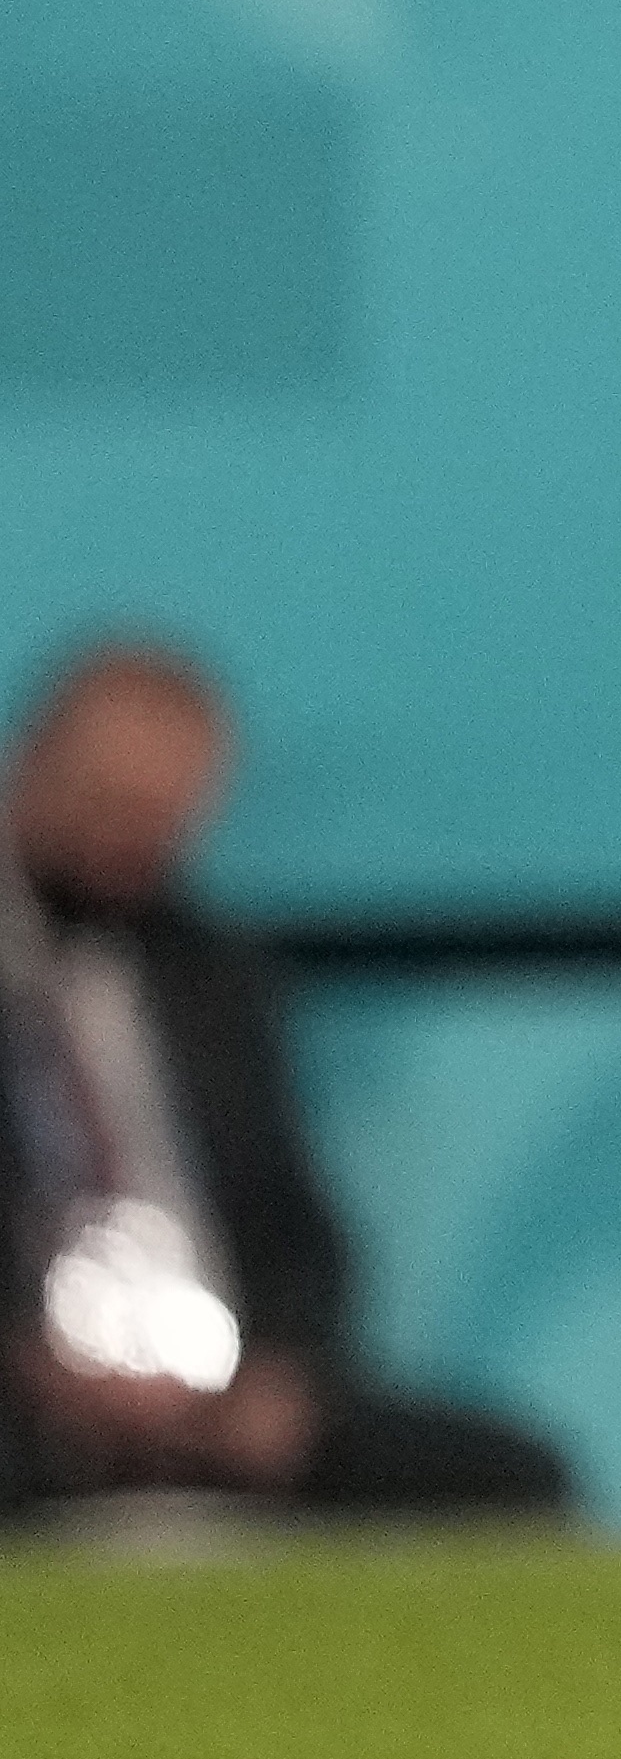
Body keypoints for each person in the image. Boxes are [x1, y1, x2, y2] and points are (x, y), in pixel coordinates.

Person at [0, 640, 570, 1518]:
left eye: (161, 819)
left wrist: (283, 1373)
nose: (130, 844)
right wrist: (37, 1364)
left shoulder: (209, 977)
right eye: (108, 807)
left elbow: (293, 1223)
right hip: (27, 1402)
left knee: (508, 1477)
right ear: (32, 766)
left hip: (219, 1404)